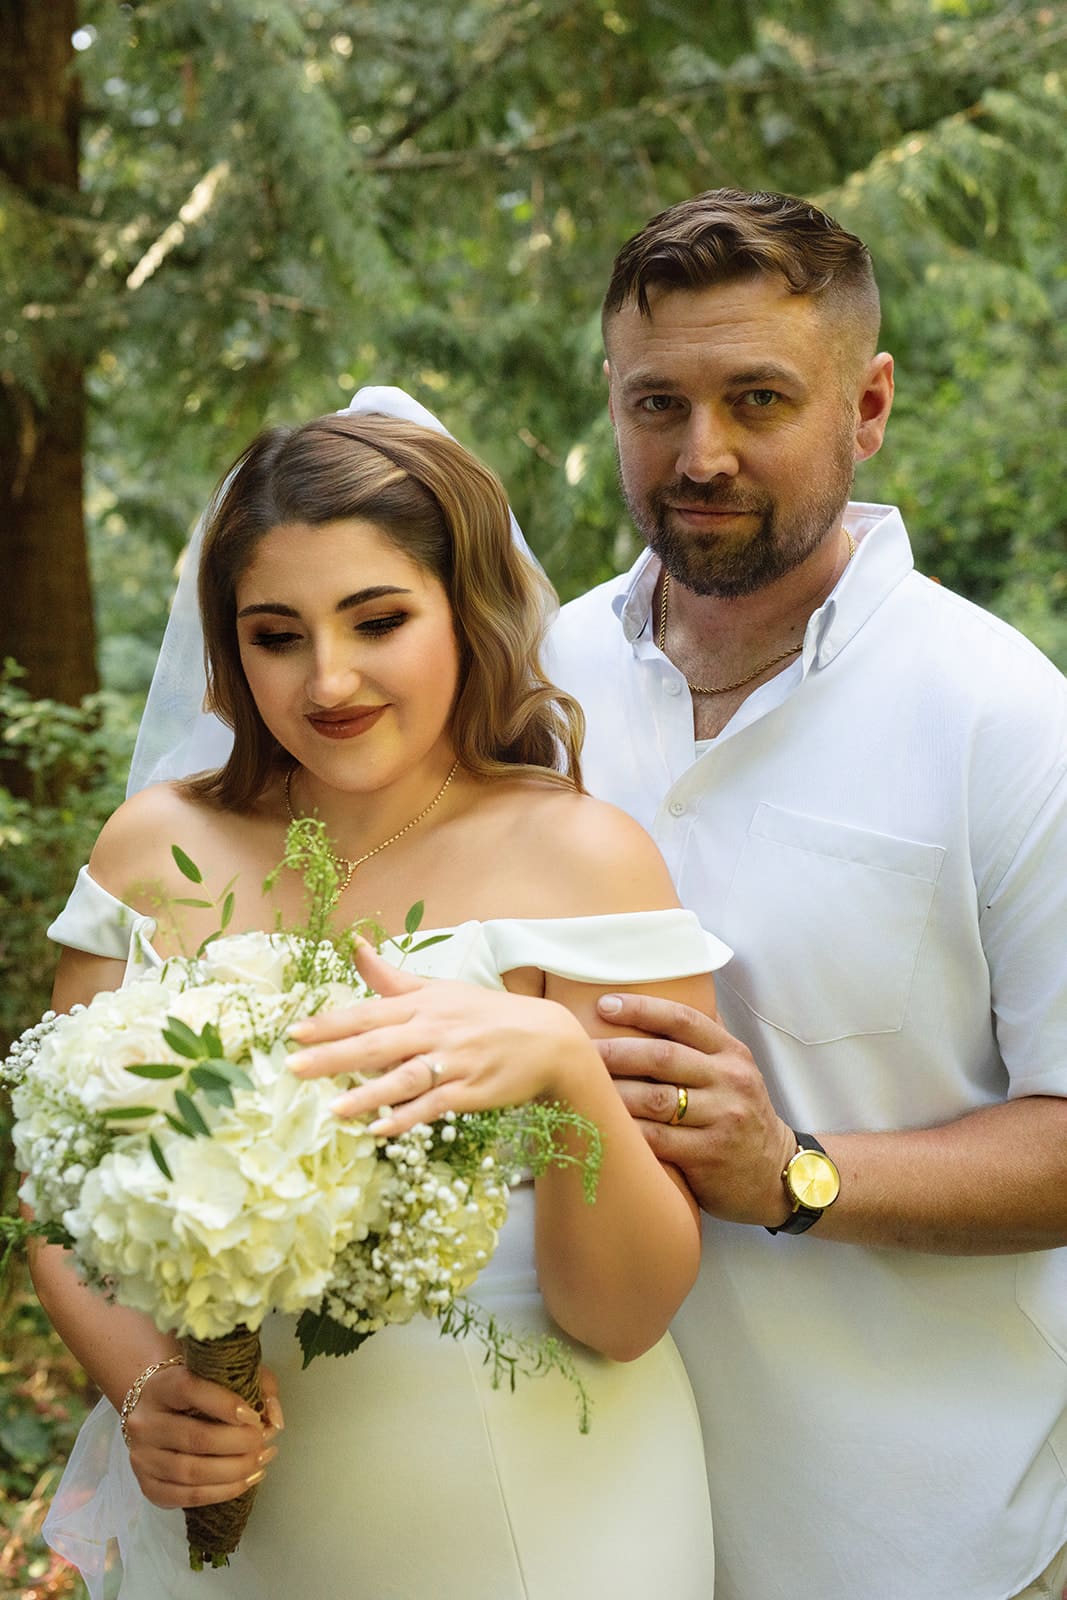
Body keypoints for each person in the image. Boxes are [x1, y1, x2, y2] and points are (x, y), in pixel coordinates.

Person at [289, 193, 1067, 1600]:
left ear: (866, 406)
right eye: (658, 403)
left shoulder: (1002, 717)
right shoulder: (530, 677)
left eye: (756, 399)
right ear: (611, 399)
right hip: (575, 1512)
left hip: (908, 1532)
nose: (699, 453)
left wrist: (795, 1173)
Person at [34, 408, 730, 1598]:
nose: (328, 679)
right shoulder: (152, 849)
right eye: (276, 634)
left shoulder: (588, 863)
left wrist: (563, 1065)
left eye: (378, 620)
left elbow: (623, 1315)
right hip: (231, 1524)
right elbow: (56, 1199)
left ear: (465, 609)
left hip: (538, 1516)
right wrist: (148, 1390)